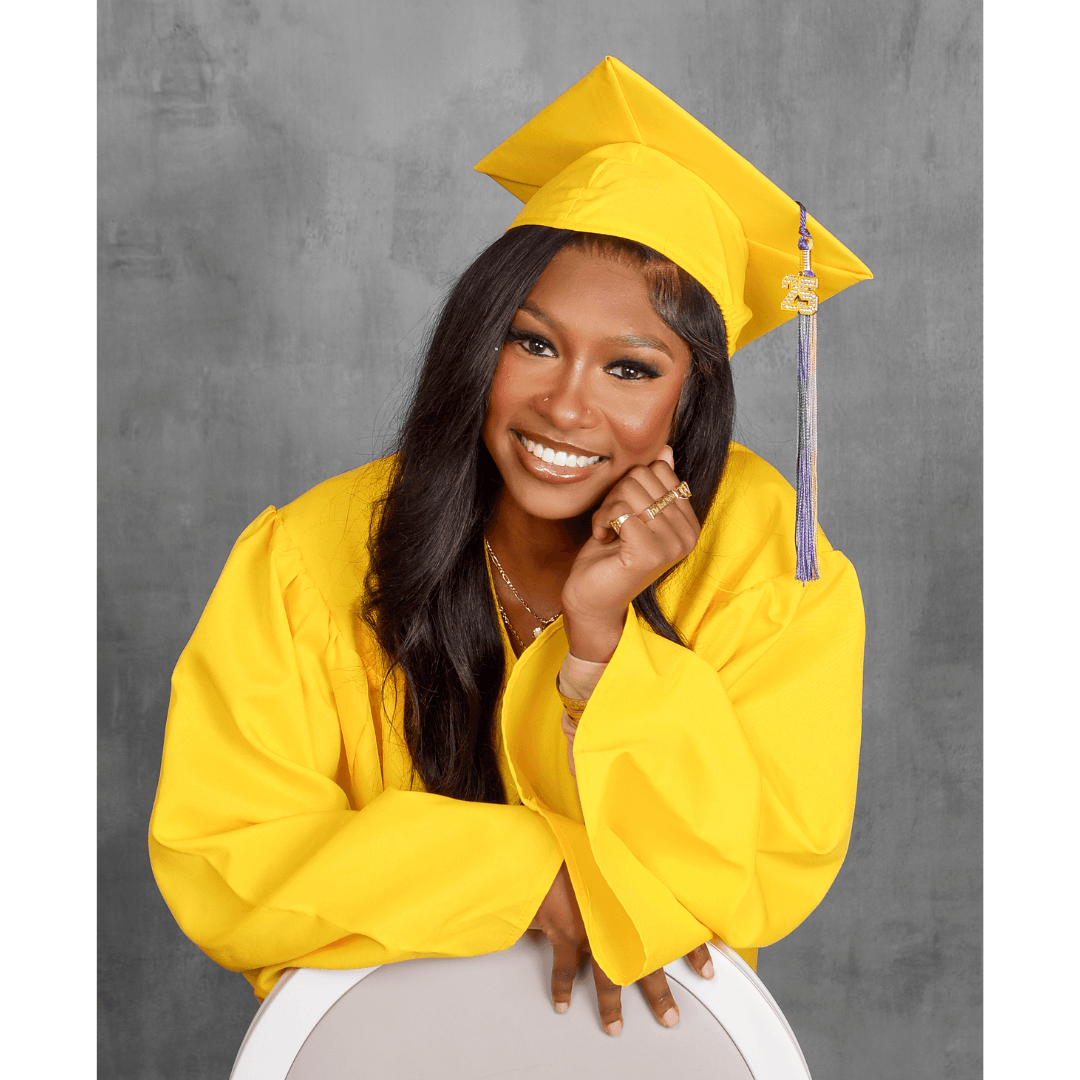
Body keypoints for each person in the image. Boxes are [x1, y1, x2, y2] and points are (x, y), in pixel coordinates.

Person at [149, 56, 871, 1038]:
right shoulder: (312, 554)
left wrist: (602, 640)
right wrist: (531, 876)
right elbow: (225, 856)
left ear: (689, 398)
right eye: (534, 343)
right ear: (478, 341)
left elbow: (739, 879)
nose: (566, 405)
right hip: (381, 1045)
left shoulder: (763, 555)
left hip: (649, 1049)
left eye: (630, 368)